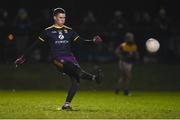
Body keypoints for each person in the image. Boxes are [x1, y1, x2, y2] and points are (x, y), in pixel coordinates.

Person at [14, 8, 103, 110]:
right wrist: (23, 57)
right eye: (60, 18)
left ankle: (66, 105)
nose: (63, 20)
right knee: (77, 71)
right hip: (57, 59)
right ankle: (95, 78)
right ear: (55, 18)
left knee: (76, 80)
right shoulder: (48, 31)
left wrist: (93, 41)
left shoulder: (69, 30)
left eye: (64, 18)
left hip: (70, 57)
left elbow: (81, 42)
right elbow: (35, 45)